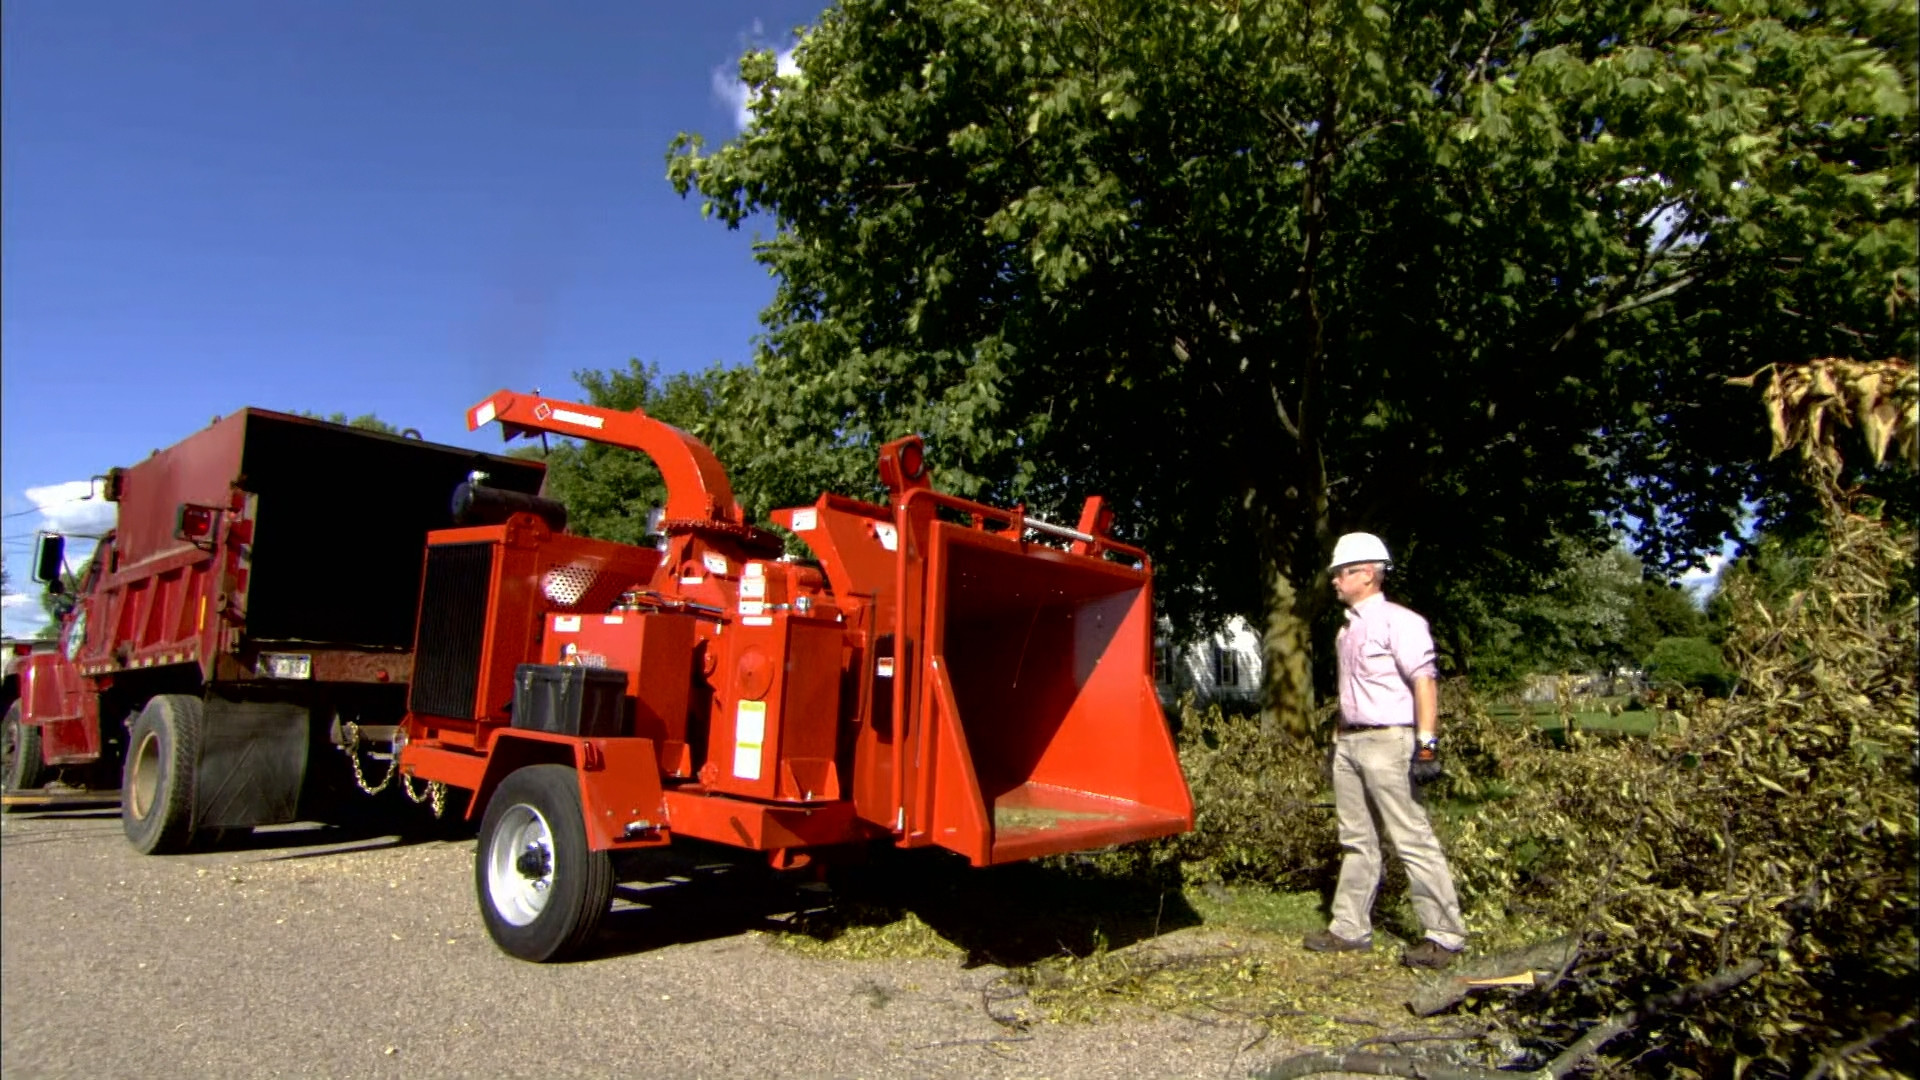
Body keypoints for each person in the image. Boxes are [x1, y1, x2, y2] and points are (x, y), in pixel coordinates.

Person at [1302, 532, 1468, 969]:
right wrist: (1338, 741)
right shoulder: (1346, 631)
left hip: (1389, 741)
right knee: (1356, 839)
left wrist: (1427, 747)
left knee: (1411, 838)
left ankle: (1445, 936)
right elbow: (1350, 692)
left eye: (1342, 572)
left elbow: (1424, 682)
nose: (1335, 580)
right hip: (1351, 742)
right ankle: (1349, 928)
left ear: (1369, 574)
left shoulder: (1402, 622)